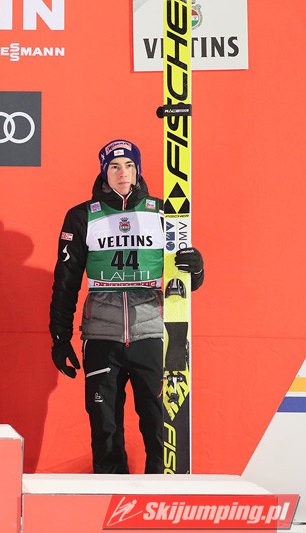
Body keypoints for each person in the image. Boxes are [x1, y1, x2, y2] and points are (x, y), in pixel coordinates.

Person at [49, 139, 204, 473]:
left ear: (138, 170)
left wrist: (197, 268)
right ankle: (111, 497)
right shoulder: (82, 216)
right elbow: (65, 282)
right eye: (115, 166)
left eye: (129, 166)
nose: (123, 173)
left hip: (152, 333)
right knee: (105, 430)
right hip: (101, 335)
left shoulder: (163, 213)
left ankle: (160, 498)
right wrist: (59, 337)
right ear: (104, 172)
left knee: (160, 427)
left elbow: (186, 283)